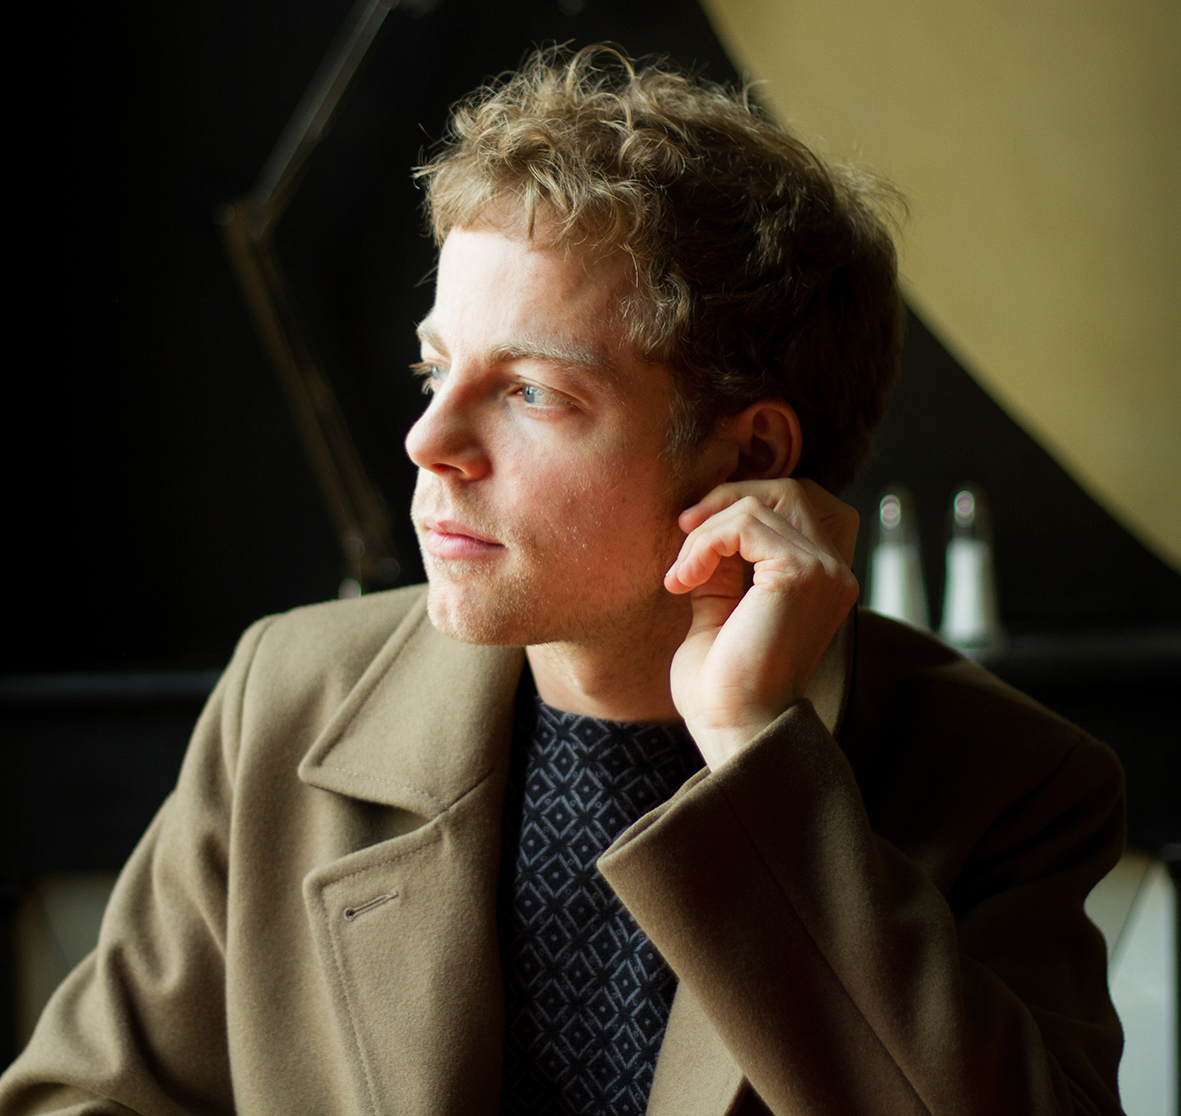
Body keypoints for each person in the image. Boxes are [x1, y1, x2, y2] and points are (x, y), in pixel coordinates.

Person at [1, 47, 1124, 1116]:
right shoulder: (288, 695)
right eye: (434, 368)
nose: (428, 441)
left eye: (532, 392)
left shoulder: (1008, 780)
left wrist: (754, 752)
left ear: (749, 457)